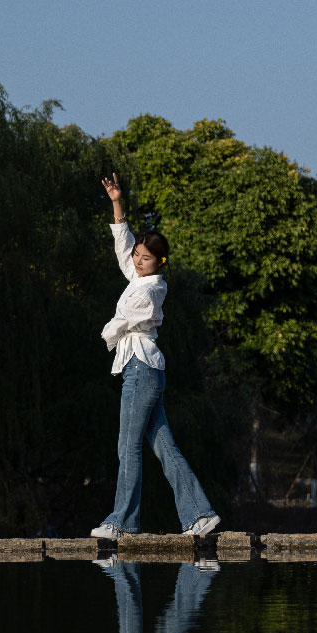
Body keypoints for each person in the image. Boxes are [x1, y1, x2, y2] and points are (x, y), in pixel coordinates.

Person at [91, 174, 221, 539]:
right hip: (145, 370)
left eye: (145, 258)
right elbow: (122, 245)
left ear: (159, 262)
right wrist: (117, 202)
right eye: (137, 255)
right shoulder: (138, 277)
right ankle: (200, 515)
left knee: (128, 447)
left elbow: (124, 320)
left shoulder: (151, 290)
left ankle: (122, 522)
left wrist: (108, 331)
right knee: (164, 447)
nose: (137, 261)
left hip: (141, 370)